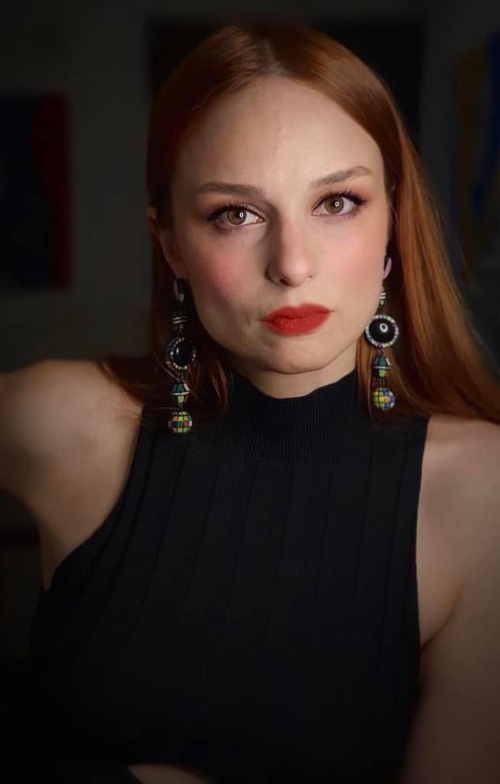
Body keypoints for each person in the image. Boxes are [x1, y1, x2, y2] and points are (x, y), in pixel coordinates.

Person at [1, 20, 500, 784]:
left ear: (392, 224)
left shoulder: (482, 492)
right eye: (235, 214)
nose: (292, 265)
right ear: (171, 244)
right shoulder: (61, 421)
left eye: (337, 202)